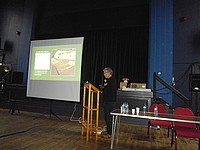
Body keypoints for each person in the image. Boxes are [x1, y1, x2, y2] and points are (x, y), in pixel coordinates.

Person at [102, 67, 117, 138]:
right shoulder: (108, 80)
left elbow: (110, 90)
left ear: (109, 73)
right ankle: (108, 130)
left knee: (109, 117)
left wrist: (105, 87)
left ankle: (110, 133)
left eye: (105, 73)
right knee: (106, 117)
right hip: (107, 101)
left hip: (110, 101)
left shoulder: (112, 80)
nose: (104, 74)